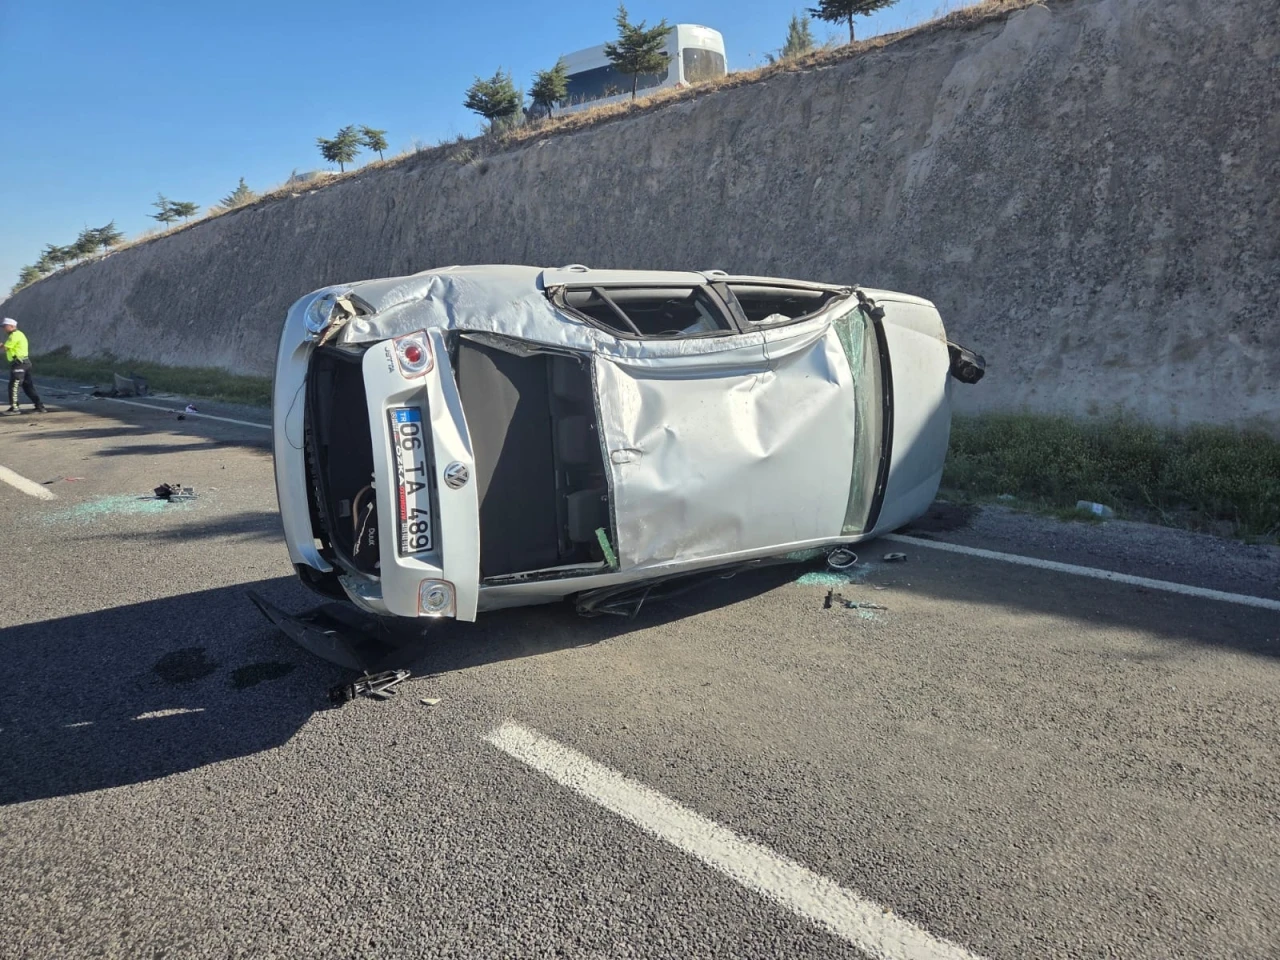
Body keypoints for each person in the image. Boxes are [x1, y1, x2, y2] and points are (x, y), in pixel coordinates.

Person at [3, 317, 47, 414]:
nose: (3, 328)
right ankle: (39, 406)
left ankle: (15, 408)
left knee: (14, 386)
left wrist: (1, 345)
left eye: (5, 326)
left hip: (19, 364)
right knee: (28, 386)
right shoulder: (19, 334)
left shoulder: (14, 335)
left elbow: (6, 348)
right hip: (24, 363)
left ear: (12, 326)